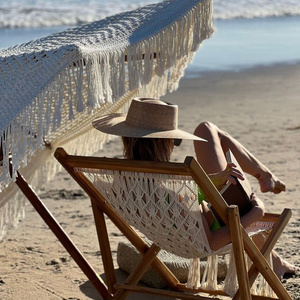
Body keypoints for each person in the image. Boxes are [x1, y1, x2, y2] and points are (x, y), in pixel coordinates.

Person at [92, 97, 298, 279]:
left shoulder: (121, 179)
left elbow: (175, 206)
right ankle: (264, 176)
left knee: (207, 133)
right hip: (219, 226)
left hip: (175, 231)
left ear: (126, 138)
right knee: (207, 129)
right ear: (168, 143)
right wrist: (256, 213)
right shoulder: (176, 185)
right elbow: (214, 241)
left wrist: (210, 182)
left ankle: (266, 178)